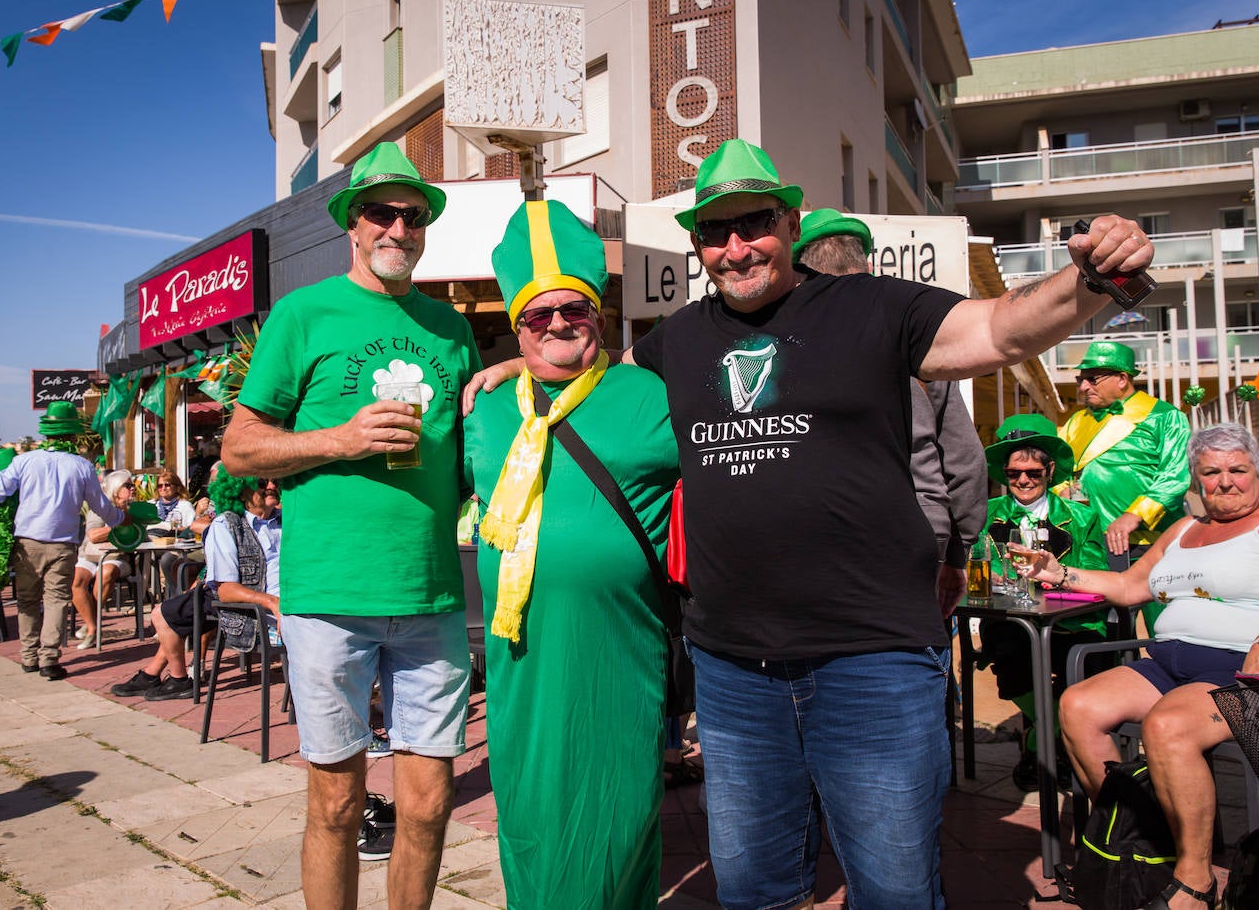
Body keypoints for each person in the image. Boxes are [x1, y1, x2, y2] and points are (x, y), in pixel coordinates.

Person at [467, 138, 1152, 909]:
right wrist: (524, 367)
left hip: (870, 661)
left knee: (893, 891)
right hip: (733, 670)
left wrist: (1091, 277)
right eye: (715, 232)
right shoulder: (678, 340)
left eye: (753, 222)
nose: (736, 246)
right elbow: (589, 376)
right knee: (756, 892)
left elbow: (1001, 330)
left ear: (789, 222)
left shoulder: (875, 306)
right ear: (698, 246)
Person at [222, 141, 480, 909]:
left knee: (429, 806)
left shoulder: (451, 329)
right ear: (353, 226)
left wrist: (498, 378)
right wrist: (340, 439)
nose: (398, 227)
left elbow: (468, 445)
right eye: (381, 212)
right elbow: (240, 448)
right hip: (330, 593)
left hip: (431, 594)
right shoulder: (304, 313)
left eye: (413, 214)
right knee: (336, 805)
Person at [464, 200, 678, 907]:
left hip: (616, 656)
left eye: (574, 310)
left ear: (599, 313)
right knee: (530, 818)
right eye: (537, 315)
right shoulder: (485, 408)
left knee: (615, 821)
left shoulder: (650, 395)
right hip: (520, 662)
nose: (557, 323)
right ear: (516, 326)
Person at [1020, 423, 1259, 910]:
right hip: (1169, 660)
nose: (1226, 481)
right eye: (1211, 472)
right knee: (1078, 705)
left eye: (1238, 469)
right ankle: (1145, 838)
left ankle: (1196, 879)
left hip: (1241, 668)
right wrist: (1058, 571)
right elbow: (1130, 587)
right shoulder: (1185, 528)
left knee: (1166, 725)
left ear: (1258, 473)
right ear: (1195, 478)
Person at [792, 208, 987, 614]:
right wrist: (957, 553)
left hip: (830, 533)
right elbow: (966, 462)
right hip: (922, 526)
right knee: (915, 659)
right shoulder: (912, 333)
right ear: (867, 263)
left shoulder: (793, 343)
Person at [979, 413, 1108, 791]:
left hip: (1074, 624)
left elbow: (1097, 575)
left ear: (1050, 470)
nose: (1022, 481)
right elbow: (975, 563)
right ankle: (1057, 744)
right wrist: (993, 577)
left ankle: (1039, 745)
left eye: (1033, 472)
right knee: (1010, 647)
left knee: (1086, 664)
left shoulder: (1082, 517)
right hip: (1013, 624)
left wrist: (1058, 577)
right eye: (1014, 472)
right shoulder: (986, 515)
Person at [0, 401, 126, 679]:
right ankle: (49, 658)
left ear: (48, 433)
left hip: (26, 543)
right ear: (73, 435)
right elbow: (100, 506)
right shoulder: (81, 466)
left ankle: (28, 656)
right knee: (56, 599)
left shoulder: (24, 461)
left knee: (27, 599)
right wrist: (120, 519)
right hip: (62, 544)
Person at [111, 473, 281, 701]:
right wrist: (270, 601)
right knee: (173, 607)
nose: (271, 485)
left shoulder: (288, 521)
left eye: (276, 481)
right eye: (262, 482)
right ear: (240, 490)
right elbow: (223, 584)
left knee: (167, 613)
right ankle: (173, 676)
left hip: (249, 601)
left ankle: (168, 677)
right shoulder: (228, 523)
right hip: (239, 596)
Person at [1057, 340, 1190, 631]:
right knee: (1109, 635)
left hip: (1154, 546)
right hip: (1096, 547)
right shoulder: (1075, 422)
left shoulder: (1166, 417)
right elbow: (1059, 472)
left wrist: (1135, 514)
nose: (1083, 387)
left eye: (1093, 379)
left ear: (1122, 379)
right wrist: (1064, 492)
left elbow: (1175, 475)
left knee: (1168, 630)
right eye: (1081, 379)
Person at [71, 469, 138, 648]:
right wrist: (120, 521)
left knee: (106, 572)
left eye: (133, 485)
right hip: (91, 553)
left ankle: (91, 627)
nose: (132, 489)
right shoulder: (102, 507)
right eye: (128, 485)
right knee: (77, 579)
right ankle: (93, 626)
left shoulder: (137, 509)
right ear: (116, 489)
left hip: (117, 557)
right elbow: (93, 536)